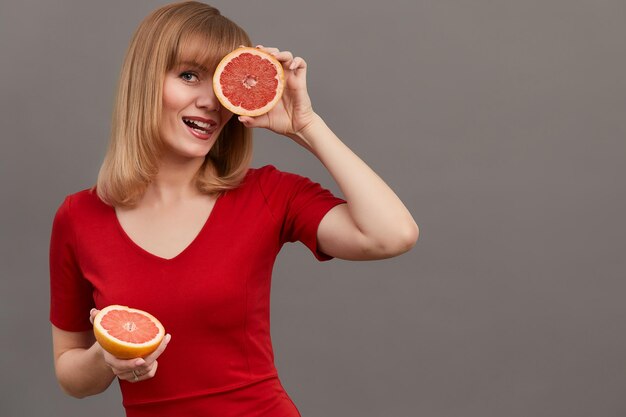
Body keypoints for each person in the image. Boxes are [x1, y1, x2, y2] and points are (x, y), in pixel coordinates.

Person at [49, 1, 418, 416]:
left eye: (219, 82)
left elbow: (392, 234)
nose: (211, 101)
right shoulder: (79, 217)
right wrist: (105, 358)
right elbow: (69, 373)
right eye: (189, 76)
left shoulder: (267, 193)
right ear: (144, 80)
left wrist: (307, 126)